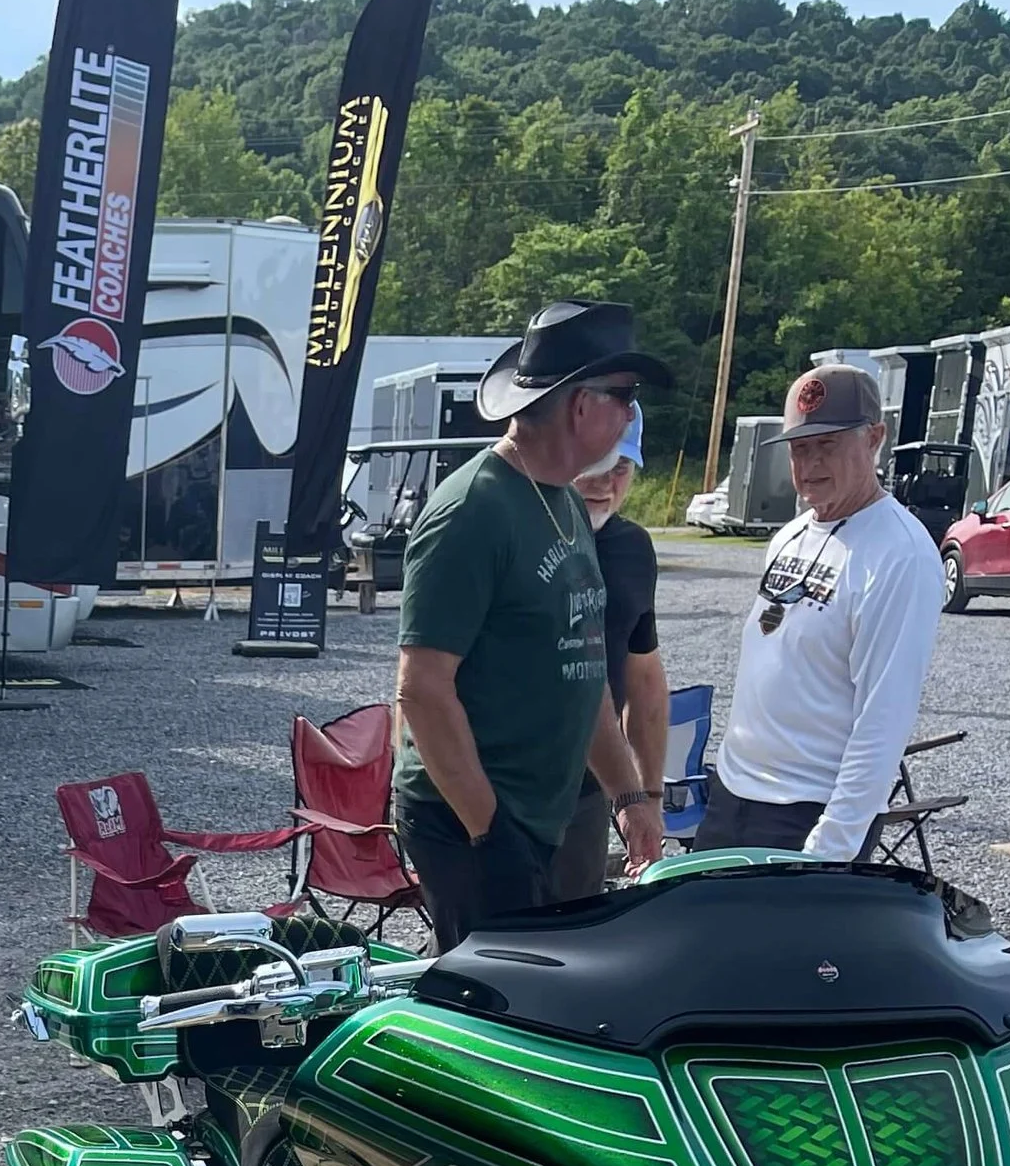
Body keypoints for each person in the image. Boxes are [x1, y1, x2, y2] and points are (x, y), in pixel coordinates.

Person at [393, 300, 673, 952]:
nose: (632, 414)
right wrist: (491, 834)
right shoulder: (472, 512)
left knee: (547, 991)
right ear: (580, 406)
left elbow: (584, 674)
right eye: (624, 395)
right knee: (493, 1011)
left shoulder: (564, 500)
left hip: (532, 821)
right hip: (470, 824)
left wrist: (629, 793)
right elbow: (422, 689)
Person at [695, 363, 942, 862]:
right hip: (735, 794)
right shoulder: (791, 534)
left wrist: (832, 847)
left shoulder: (900, 553)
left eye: (827, 445)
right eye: (799, 448)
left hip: (807, 811)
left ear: (875, 437)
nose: (809, 464)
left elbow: (884, 717)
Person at [549, 404, 670, 902]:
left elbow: (643, 683)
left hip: (589, 792)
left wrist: (649, 797)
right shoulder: (518, 527)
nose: (604, 481)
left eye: (620, 467)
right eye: (594, 465)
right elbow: (424, 677)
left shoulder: (633, 549)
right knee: (480, 948)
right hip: (501, 788)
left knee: (574, 939)